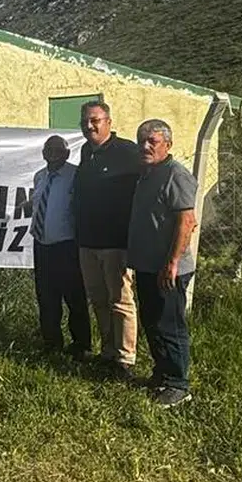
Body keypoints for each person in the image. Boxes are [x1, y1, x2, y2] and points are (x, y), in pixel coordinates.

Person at [126, 119, 199, 408]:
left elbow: (186, 220)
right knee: (152, 322)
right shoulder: (147, 174)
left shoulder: (175, 175)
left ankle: (178, 384)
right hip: (147, 264)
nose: (145, 146)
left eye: (152, 141)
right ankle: (162, 374)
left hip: (168, 268)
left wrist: (171, 262)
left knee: (170, 325)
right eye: (141, 140)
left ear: (167, 145)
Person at [74, 100, 142, 378]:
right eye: (85, 122)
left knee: (121, 301)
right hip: (88, 242)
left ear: (108, 123)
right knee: (98, 300)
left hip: (115, 244)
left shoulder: (127, 152)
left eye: (95, 121)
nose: (89, 126)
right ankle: (108, 351)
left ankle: (125, 359)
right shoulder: (85, 152)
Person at [30, 134, 92, 361]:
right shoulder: (39, 177)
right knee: (46, 296)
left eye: (59, 151)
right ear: (43, 153)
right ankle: (51, 342)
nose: (53, 155)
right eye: (49, 150)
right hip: (42, 245)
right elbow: (38, 203)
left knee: (74, 297)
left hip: (67, 246)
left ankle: (81, 344)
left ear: (67, 153)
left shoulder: (76, 176)